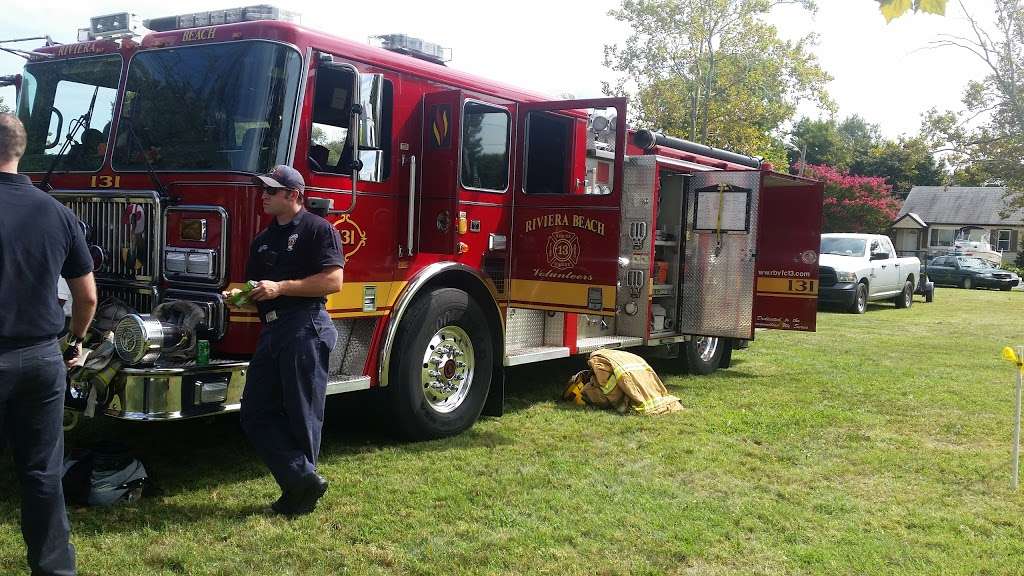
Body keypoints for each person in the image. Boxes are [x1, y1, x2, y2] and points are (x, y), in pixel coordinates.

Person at [0, 113, 97, 575]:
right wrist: (76, 341)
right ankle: (55, 569)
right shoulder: (58, 212)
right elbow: (88, 295)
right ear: (21, 152)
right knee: (42, 472)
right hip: (42, 357)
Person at [227, 164, 343, 516]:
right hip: (273, 330)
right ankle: (302, 480)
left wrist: (280, 288)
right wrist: (236, 295)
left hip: (304, 326)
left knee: (302, 413)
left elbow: (332, 281)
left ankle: (299, 495)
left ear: (293, 195)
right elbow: (253, 288)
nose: (263, 196)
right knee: (254, 412)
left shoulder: (318, 229)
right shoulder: (263, 241)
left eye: (271, 191)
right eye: (264, 190)